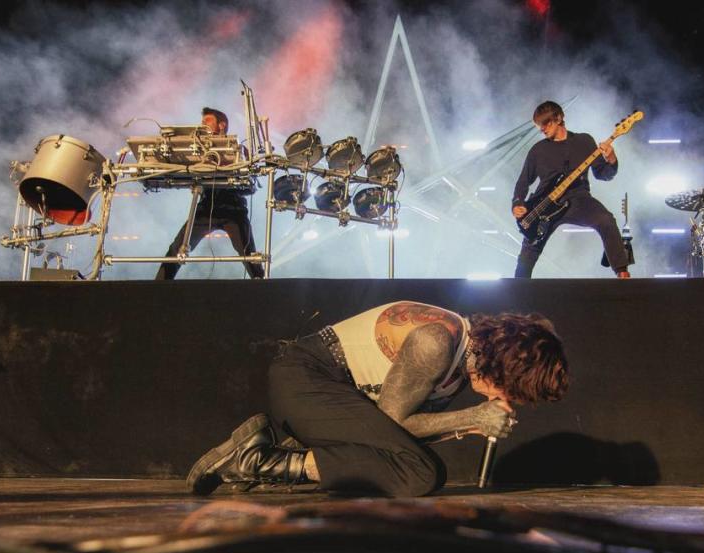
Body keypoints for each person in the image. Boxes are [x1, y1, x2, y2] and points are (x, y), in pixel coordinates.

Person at [187, 300, 569, 498]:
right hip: (307, 378)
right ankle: (258, 461)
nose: (509, 400)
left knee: (418, 466)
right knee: (421, 473)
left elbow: (397, 440)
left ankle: (269, 451)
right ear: (503, 368)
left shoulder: (459, 368)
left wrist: (468, 423)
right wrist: (473, 418)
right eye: (513, 390)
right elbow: (395, 423)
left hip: (335, 398)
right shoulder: (437, 341)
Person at [511, 101, 631, 279]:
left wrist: (611, 158)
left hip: (579, 199)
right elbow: (523, 181)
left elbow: (603, 174)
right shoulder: (538, 150)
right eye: (539, 126)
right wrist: (518, 203)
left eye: (546, 123)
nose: (542, 129)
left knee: (606, 219)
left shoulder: (584, 141)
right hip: (544, 204)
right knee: (530, 245)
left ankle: (622, 273)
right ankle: (517, 288)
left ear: (559, 118)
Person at [155, 107, 265, 280]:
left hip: (233, 209)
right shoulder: (199, 151)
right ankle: (157, 287)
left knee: (248, 254)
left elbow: (251, 186)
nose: (202, 124)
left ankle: (264, 289)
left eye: (207, 121)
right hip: (205, 208)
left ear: (221, 125)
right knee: (178, 247)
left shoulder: (239, 150)